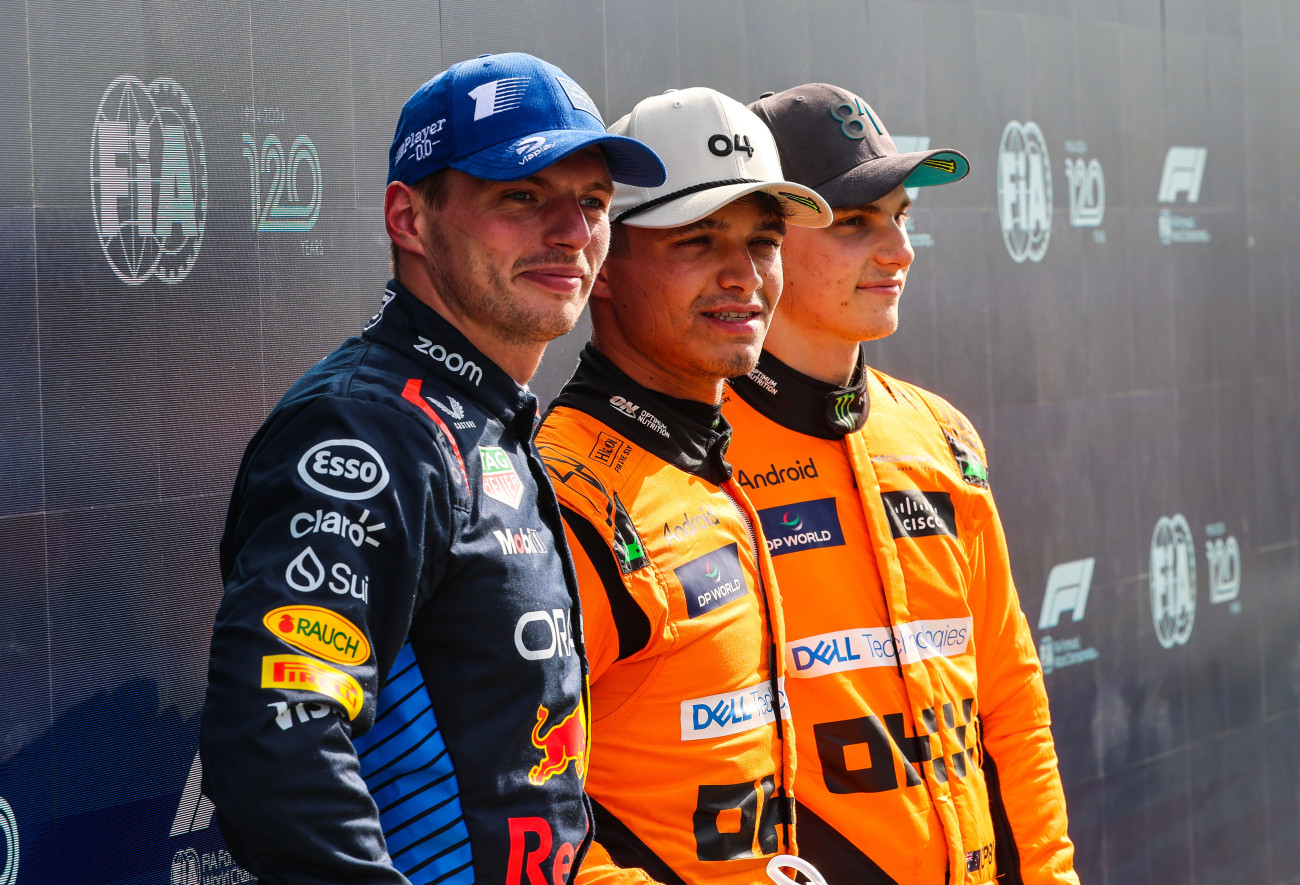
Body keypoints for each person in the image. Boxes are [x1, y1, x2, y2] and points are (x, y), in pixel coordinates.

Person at [200, 52, 664, 885]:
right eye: (520, 197)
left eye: (592, 202)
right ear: (409, 220)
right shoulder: (369, 429)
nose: (571, 232)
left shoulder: (484, 417)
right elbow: (278, 748)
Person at [722, 83, 1080, 885]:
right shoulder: (689, 464)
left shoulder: (941, 435)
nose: (898, 249)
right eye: (855, 222)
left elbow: (1011, 701)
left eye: (901, 217)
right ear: (764, 242)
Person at [534, 87, 832, 885]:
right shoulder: (565, 498)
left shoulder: (701, 462)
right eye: (698, 241)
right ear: (600, 263)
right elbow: (507, 823)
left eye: (763, 242)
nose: (745, 276)